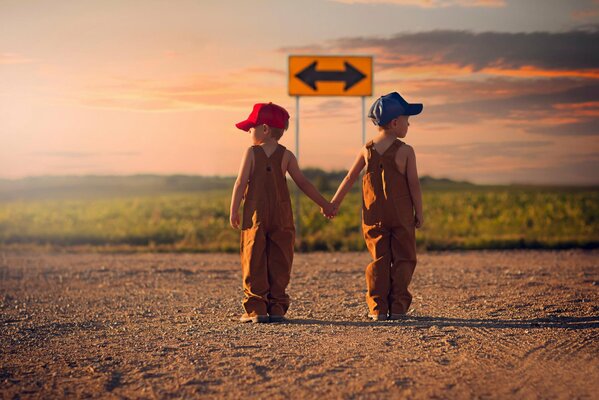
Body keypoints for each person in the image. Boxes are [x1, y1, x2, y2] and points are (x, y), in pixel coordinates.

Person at [230, 102, 336, 323]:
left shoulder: (251, 152)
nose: (250, 131)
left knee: (254, 257)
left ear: (265, 129)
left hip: (255, 215)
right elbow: (303, 183)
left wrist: (234, 209)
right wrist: (325, 204)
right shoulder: (286, 155)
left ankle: (257, 308)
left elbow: (240, 183)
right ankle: (277, 307)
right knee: (280, 258)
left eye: (253, 127)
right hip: (282, 215)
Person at [331, 92, 424, 321]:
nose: (408, 123)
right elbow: (414, 186)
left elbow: (349, 179)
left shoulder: (367, 149)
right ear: (394, 123)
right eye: (406, 119)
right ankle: (399, 306)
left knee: (379, 260)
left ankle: (378, 308)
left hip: (374, 215)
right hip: (401, 216)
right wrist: (419, 213)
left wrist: (334, 203)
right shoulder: (406, 151)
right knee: (404, 258)